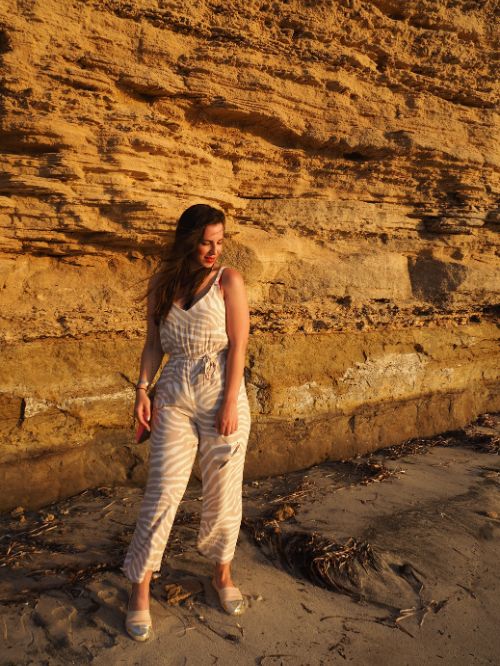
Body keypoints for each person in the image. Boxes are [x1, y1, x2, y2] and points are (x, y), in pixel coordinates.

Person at [121, 204, 252, 641]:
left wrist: (230, 402)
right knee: (162, 490)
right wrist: (142, 388)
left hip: (220, 387)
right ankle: (139, 591)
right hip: (174, 388)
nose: (214, 250)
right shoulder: (163, 282)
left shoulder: (229, 281)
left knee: (223, 489)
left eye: (220, 241)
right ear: (188, 240)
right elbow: (153, 344)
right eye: (205, 242)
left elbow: (238, 348)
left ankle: (222, 574)